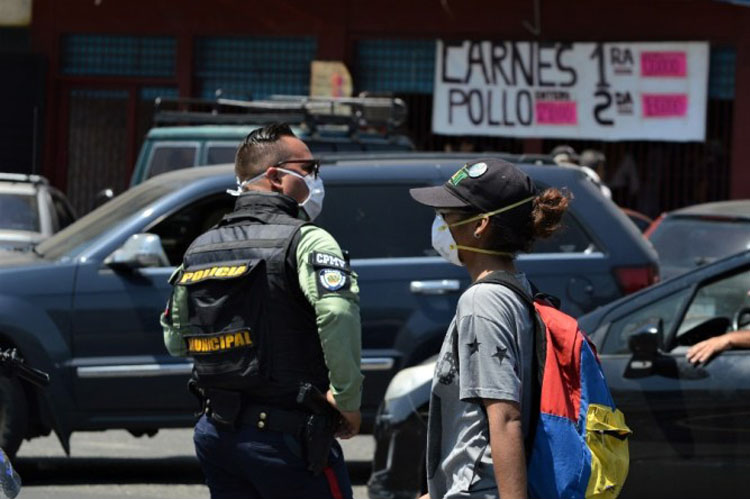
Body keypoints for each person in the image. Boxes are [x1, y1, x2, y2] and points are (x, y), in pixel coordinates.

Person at [160, 123, 363, 498]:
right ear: (276, 177)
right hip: (287, 438)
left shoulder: (200, 247)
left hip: (217, 434)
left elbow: (175, 338)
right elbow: (336, 312)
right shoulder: (307, 238)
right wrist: (348, 402)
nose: (316, 178)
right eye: (308, 169)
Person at [409, 159, 569, 498]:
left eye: (449, 215)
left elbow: (505, 416)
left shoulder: (481, 301)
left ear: (480, 225)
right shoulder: (519, 289)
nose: (441, 224)